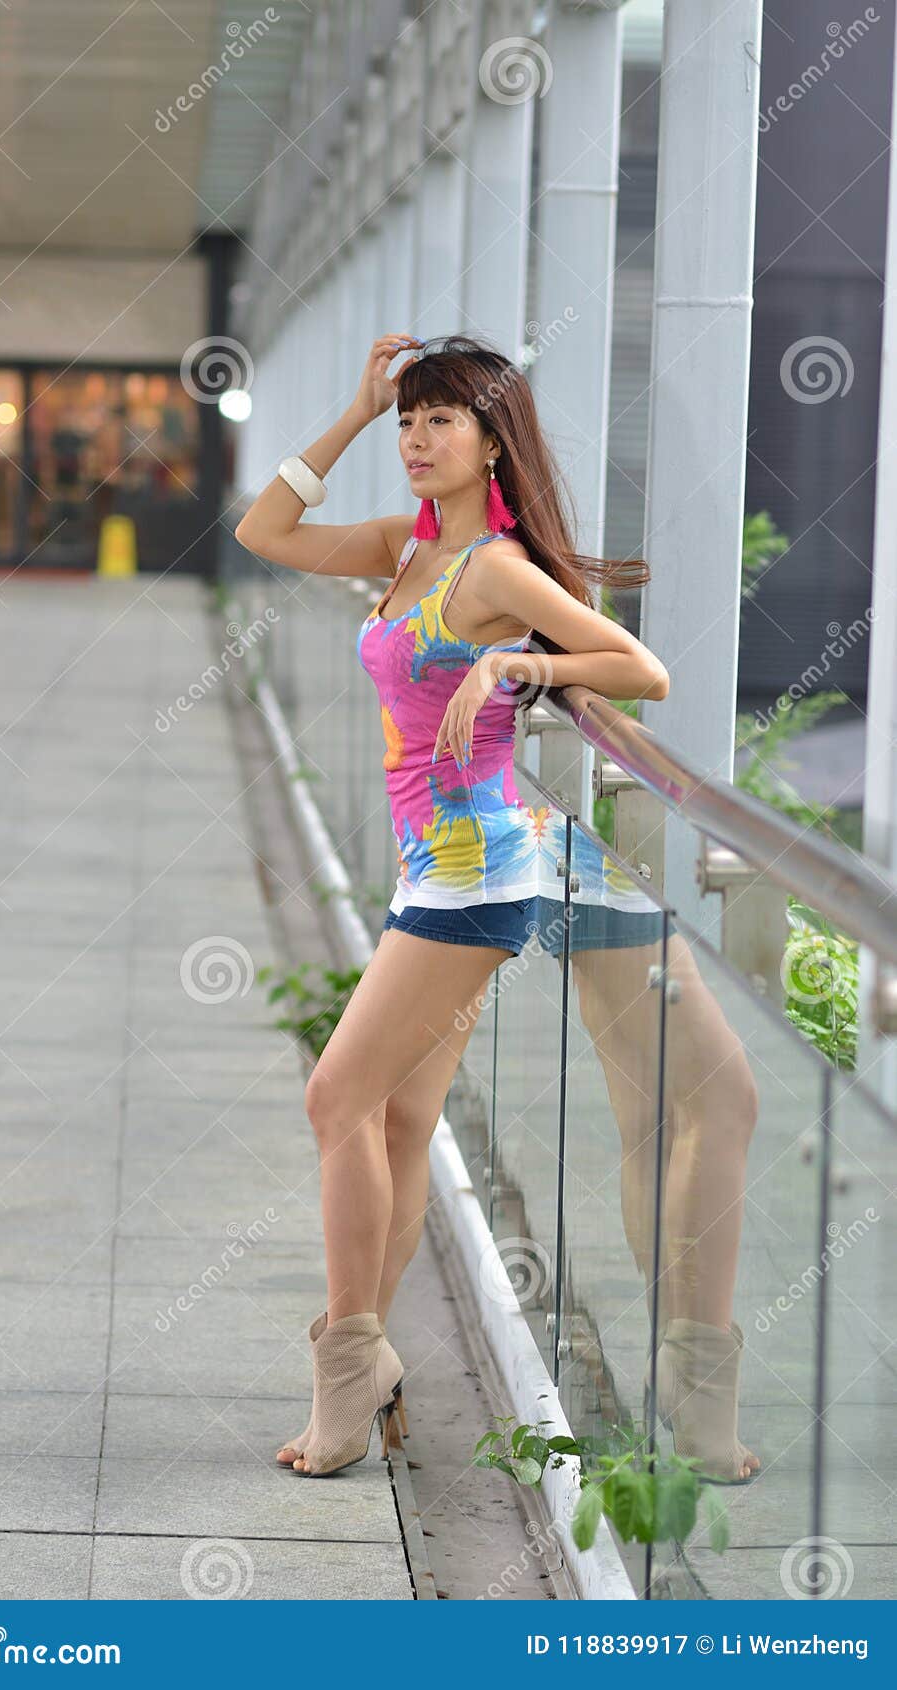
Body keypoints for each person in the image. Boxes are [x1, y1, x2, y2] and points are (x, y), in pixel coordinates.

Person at [233, 333, 760, 1483]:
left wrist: (528, 669)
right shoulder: (404, 553)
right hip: (427, 871)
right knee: (395, 1122)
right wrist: (356, 411)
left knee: (338, 1099)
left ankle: (352, 1366)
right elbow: (260, 533)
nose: (419, 441)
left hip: (477, 880)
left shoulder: (495, 572)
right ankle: (359, 1369)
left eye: (439, 422)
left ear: (490, 444)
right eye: (410, 422)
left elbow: (639, 668)